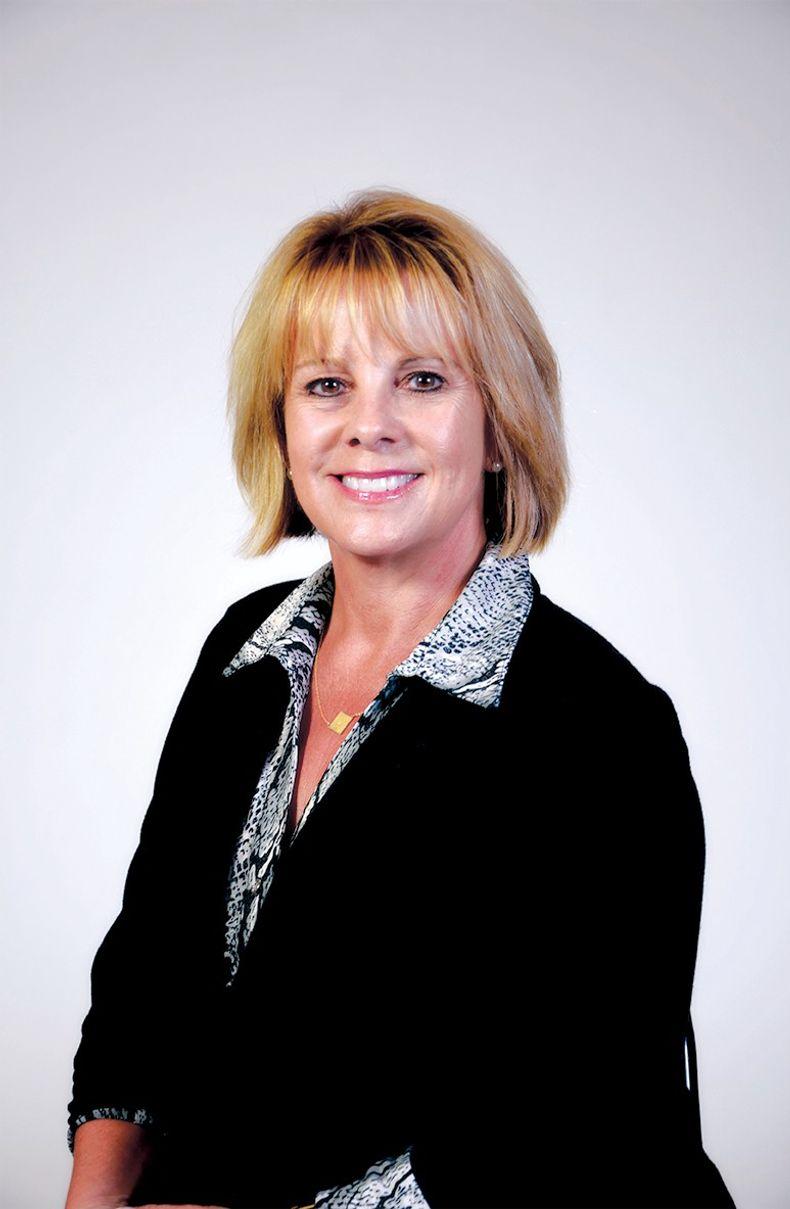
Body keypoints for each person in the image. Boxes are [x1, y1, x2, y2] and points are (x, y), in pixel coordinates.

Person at [65, 187, 736, 1209]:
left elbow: (574, 1129)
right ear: (282, 424)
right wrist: (96, 1198)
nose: (367, 426)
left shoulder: (599, 728)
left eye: (421, 380)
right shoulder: (243, 656)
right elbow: (146, 984)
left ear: (499, 425)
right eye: (326, 384)